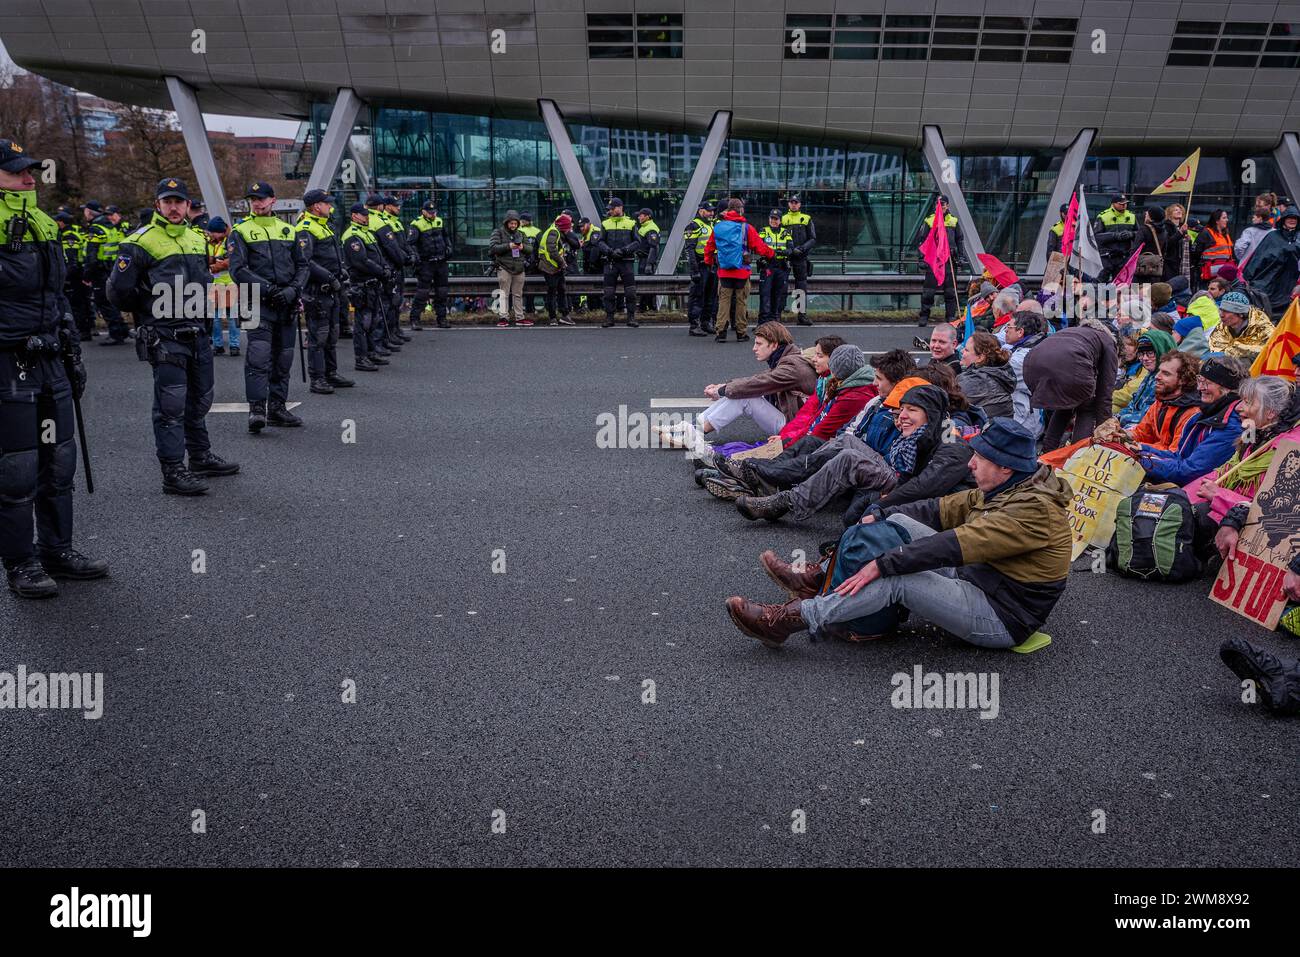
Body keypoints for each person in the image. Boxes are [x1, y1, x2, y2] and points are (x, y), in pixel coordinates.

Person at [725, 418, 1072, 650]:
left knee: (897, 579)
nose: (970, 464)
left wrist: (883, 564)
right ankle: (817, 575)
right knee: (897, 525)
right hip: (981, 578)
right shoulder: (1008, 486)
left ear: (1006, 467)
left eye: (979, 458)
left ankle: (790, 620)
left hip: (1001, 614)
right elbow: (939, 509)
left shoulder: (1033, 511)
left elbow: (954, 545)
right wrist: (881, 513)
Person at [0, 138, 108, 597]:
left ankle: (56, 550)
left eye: (31, 170)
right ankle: (21, 563)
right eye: (17, 171)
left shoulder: (42, 221)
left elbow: (58, 294)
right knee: (17, 469)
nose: (29, 178)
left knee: (58, 459)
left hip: (51, 359)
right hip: (10, 360)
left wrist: (70, 346)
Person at [107, 177, 240, 495]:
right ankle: (173, 471)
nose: (174, 207)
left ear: (187, 205)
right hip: (164, 335)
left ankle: (200, 457)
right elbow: (118, 292)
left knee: (201, 398)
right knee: (171, 406)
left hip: (197, 332)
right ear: (158, 205)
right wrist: (151, 308)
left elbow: (204, 281)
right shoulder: (139, 241)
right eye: (167, 201)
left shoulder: (197, 238)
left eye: (179, 201)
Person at [707, 350, 917, 498]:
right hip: (819, 437)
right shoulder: (838, 385)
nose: (815, 360)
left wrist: (786, 438)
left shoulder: (854, 393)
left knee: (815, 448)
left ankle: (755, 474)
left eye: (820, 355)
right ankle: (754, 476)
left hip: (858, 459)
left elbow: (822, 426)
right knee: (810, 444)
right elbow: (812, 417)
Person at [733, 381, 951, 523]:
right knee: (844, 440)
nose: (902, 416)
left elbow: (926, 482)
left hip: (898, 483)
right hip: (891, 470)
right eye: (901, 409)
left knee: (849, 458)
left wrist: (887, 499)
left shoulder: (947, 439)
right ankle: (772, 473)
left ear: (930, 414)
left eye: (911, 410)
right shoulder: (916, 432)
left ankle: (784, 500)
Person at [653, 321, 815, 452]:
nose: (754, 348)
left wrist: (722, 390)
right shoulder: (787, 360)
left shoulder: (792, 366)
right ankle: (692, 427)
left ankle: (694, 432)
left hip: (796, 428)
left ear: (774, 345)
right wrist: (725, 388)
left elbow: (759, 383)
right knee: (743, 393)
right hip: (794, 422)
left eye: (759, 344)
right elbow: (760, 379)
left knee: (746, 397)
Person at [1197, 375, 1300, 556]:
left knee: (1197, 514)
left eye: (1248, 402)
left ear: (1270, 412)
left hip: (1265, 538)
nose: (1238, 407)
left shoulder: (1290, 451)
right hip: (1236, 514)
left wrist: (1219, 495)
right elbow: (1226, 470)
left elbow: (1276, 512)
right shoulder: (1255, 432)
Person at [1140, 355, 1245, 485]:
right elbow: (1179, 456)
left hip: (1195, 493)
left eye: (1207, 383)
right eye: (1200, 380)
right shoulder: (1205, 415)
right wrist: (1138, 448)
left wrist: (1140, 459)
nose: (1200, 388)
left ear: (1227, 388)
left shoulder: (1229, 426)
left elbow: (1189, 471)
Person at [1023, 321, 1118, 450]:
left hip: (1032, 365)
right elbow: (1105, 391)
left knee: (1065, 405)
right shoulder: (1108, 341)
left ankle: (1047, 452)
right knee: (1087, 407)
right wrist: (1105, 428)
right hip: (1069, 366)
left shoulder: (1073, 331)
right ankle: (1077, 455)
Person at [296, 188, 354, 395]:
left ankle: (331, 373)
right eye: (327, 203)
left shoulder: (325, 225)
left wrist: (342, 272)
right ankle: (317, 379)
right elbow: (305, 261)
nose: (330, 206)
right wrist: (329, 277)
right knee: (318, 337)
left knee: (332, 334)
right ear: (316, 206)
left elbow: (332, 255)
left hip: (333, 290)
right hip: (317, 291)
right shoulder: (305, 228)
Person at [704, 199, 774, 343]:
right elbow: (759, 247)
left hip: (724, 271)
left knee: (724, 301)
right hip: (742, 271)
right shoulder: (746, 228)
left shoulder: (718, 227)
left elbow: (709, 248)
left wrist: (709, 262)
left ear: (729, 210)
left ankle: (721, 332)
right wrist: (771, 254)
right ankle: (741, 332)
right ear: (740, 210)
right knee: (741, 301)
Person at [341, 202, 390, 372]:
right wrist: (381, 271)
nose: (367, 217)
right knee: (363, 323)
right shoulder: (352, 235)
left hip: (373, 284)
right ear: (354, 216)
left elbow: (377, 255)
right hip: (361, 284)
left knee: (374, 320)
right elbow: (361, 261)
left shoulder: (366, 233)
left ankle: (371, 352)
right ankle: (361, 358)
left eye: (367, 214)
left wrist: (385, 268)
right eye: (363, 215)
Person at [1127, 350, 1202, 452]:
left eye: (1166, 374)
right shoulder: (1162, 402)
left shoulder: (1192, 413)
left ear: (1183, 380)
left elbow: (1173, 453)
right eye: (1159, 371)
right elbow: (1143, 433)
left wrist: (1139, 446)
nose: (1157, 376)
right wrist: (1122, 435)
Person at [83, 198, 129, 344]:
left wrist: (87, 274)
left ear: (89, 212)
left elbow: (92, 255)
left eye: (85, 210)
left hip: (99, 270)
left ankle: (116, 334)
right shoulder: (109, 226)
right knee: (110, 301)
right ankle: (122, 330)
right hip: (110, 268)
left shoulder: (96, 228)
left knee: (103, 301)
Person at [365, 194, 409, 345]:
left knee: (392, 302)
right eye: (396, 205)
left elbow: (402, 245)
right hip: (388, 267)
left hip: (386, 266)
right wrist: (405, 260)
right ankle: (383, 339)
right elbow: (392, 248)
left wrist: (409, 256)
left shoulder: (383, 221)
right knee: (387, 304)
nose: (399, 208)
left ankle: (391, 333)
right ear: (382, 206)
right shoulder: (380, 222)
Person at [1242, 205, 1300, 317]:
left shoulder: (1297, 238)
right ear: (1284, 220)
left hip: (1286, 286)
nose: (1292, 220)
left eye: (1295, 218)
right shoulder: (1273, 236)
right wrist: (1248, 276)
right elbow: (1259, 256)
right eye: (1289, 217)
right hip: (1267, 281)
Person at [407, 199, 451, 329]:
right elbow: (411, 243)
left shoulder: (439, 221)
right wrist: (417, 259)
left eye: (434, 211)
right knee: (422, 293)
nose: (433, 214)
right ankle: (415, 320)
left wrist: (449, 248)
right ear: (423, 212)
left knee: (442, 292)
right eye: (430, 212)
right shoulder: (416, 224)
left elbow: (446, 237)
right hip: (426, 263)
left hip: (441, 262)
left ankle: (442, 319)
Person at [1004, 309, 1047, 438]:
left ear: (1020, 332)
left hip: (1024, 421)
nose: (1005, 330)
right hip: (1026, 417)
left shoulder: (1020, 359)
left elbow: (997, 377)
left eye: (1008, 327)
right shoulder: (1031, 348)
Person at [597, 198, 640, 328]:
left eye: (611, 208)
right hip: (610, 262)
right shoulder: (605, 224)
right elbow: (600, 242)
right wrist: (609, 251)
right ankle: (609, 318)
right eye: (609, 209)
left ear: (620, 208)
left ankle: (631, 318)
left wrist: (624, 250)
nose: (609, 211)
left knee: (630, 292)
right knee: (609, 292)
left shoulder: (631, 223)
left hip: (626, 262)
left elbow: (637, 242)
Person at [917, 196, 959, 326]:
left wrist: (961, 257)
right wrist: (921, 258)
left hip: (949, 260)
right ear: (936, 205)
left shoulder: (953, 221)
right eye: (939, 204)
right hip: (933, 261)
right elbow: (922, 241)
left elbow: (960, 240)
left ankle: (951, 317)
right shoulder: (929, 220)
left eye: (943, 204)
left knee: (950, 292)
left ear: (948, 205)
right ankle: (924, 316)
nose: (941, 206)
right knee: (928, 292)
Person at [1115, 331, 1173, 424]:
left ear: (1161, 351)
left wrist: (1119, 420)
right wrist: (1116, 418)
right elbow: (1133, 404)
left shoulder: (1167, 381)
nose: (1145, 358)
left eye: (1150, 353)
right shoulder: (1149, 376)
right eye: (1141, 354)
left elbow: (1147, 418)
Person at [957, 331, 1015, 419]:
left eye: (966, 350)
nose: (962, 351)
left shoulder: (975, 381)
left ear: (980, 357)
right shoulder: (1000, 374)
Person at [55, 211, 94, 340]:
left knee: (77, 305)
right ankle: (84, 330)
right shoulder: (72, 233)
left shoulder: (68, 236)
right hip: (78, 273)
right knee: (81, 303)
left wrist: (64, 278)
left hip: (74, 276)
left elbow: (71, 261)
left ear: (61, 222)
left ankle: (82, 331)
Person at [204, 217, 239, 357]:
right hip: (215, 283)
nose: (211, 235)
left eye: (213, 232)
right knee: (216, 317)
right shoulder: (211, 242)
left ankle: (234, 346)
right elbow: (208, 259)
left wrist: (216, 265)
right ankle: (218, 346)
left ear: (221, 231)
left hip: (229, 282)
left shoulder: (230, 240)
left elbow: (234, 260)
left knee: (231, 317)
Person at [1207, 290, 1276, 362]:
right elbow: (1214, 348)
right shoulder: (1221, 327)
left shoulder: (1263, 328)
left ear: (1240, 314)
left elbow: (1272, 349)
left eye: (1226, 311)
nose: (1221, 315)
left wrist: (1236, 348)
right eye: (1221, 310)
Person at [489, 209, 528, 328]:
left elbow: (530, 249)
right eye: (511, 223)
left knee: (518, 294)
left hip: (519, 268)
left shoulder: (521, 234)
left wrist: (522, 247)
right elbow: (493, 248)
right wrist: (508, 246)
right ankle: (503, 317)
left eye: (515, 223)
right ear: (506, 223)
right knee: (504, 294)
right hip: (503, 267)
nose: (513, 225)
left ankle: (519, 317)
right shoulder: (498, 232)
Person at [684, 201, 718, 336]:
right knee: (697, 295)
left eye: (712, 211)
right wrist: (694, 270)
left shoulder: (711, 225)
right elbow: (690, 250)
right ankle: (694, 325)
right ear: (701, 211)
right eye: (708, 211)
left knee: (710, 296)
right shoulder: (693, 225)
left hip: (712, 265)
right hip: (700, 265)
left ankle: (705, 322)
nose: (711, 213)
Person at [781, 194, 816, 326]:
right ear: (789, 204)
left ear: (800, 204)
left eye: (796, 202)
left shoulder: (806, 218)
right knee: (781, 284)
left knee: (800, 286)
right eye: (792, 202)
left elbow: (813, 238)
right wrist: (789, 250)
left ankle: (801, 315)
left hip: (801, 257)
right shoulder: (783, 219)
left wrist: (801, 249)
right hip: (786, 257)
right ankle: (778, 313)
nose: (794, 204)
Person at [537, 213, 575, 326]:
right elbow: (552, 250)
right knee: (553, 292)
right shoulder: (554, 232)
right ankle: (553, 317)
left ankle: (563, 315)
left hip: (555, 267)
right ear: (564, 227)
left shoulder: (555, 231)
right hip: (550, 267)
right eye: (568, 227)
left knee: (561, 291)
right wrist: (562, 263)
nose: (569, 230)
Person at [757, 209, 792, 322]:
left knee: (778, 295)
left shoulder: (785, 232)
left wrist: (782, 252)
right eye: (772, 218)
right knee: (765, 294)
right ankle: (762, 322)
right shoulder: (763, 231)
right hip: (768, 265)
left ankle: (774, 322)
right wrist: (772, 252)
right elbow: (759, 247)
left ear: (780, 220)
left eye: (776, 219)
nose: (773, 221)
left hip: (781, 267)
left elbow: (791, 249)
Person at [1095, 193, 1138, 281]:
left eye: (1125, 203)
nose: (1124, 206)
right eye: (1121, 204)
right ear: (1113, 204)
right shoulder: (1103, 216)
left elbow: (1139, 234)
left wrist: (1131, 234)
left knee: (1122, 286)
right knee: (1102, 285)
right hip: (1107, 257)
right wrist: (1115, 236)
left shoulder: (1132, 216)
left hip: (1124, 257)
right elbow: (1097, 237)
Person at [1132, 205, 1181, 282]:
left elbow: (1135, 249)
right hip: (1155, 268)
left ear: (1151, 217)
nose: (1146, 214)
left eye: (1148, 213)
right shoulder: (1164, 231)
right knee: (1152, 292)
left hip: (1141, 268)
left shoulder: (1144, 229)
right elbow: (1164, 249)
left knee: (1137, 291)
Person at [1192, 209, 1234, 284]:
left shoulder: (1226, 234)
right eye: (1224, 218)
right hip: (1209, 274)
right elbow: (1196, 252)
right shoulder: (1206, 233)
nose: (1227, 220)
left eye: (1226, 218)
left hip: (1224, 274)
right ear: (1217, 221)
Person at [635, 208, 660, 313]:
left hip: (647, 260)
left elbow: (653, 247)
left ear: (648, 216)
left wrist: (649, 264)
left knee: (648, 285)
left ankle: (651, 308)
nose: (639, 217)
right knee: (643, 285)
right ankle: (643, 307)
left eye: (641, 215)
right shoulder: (644, 227)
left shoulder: (651, 228)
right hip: (642, 259)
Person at [517, 212, 541, 318]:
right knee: (532, 287)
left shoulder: (517, 231)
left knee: (520, 288)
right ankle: (530, 308)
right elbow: (540, 248)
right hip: (534, 264)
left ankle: (522, 309)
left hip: (521, 264)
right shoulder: (537, 231)